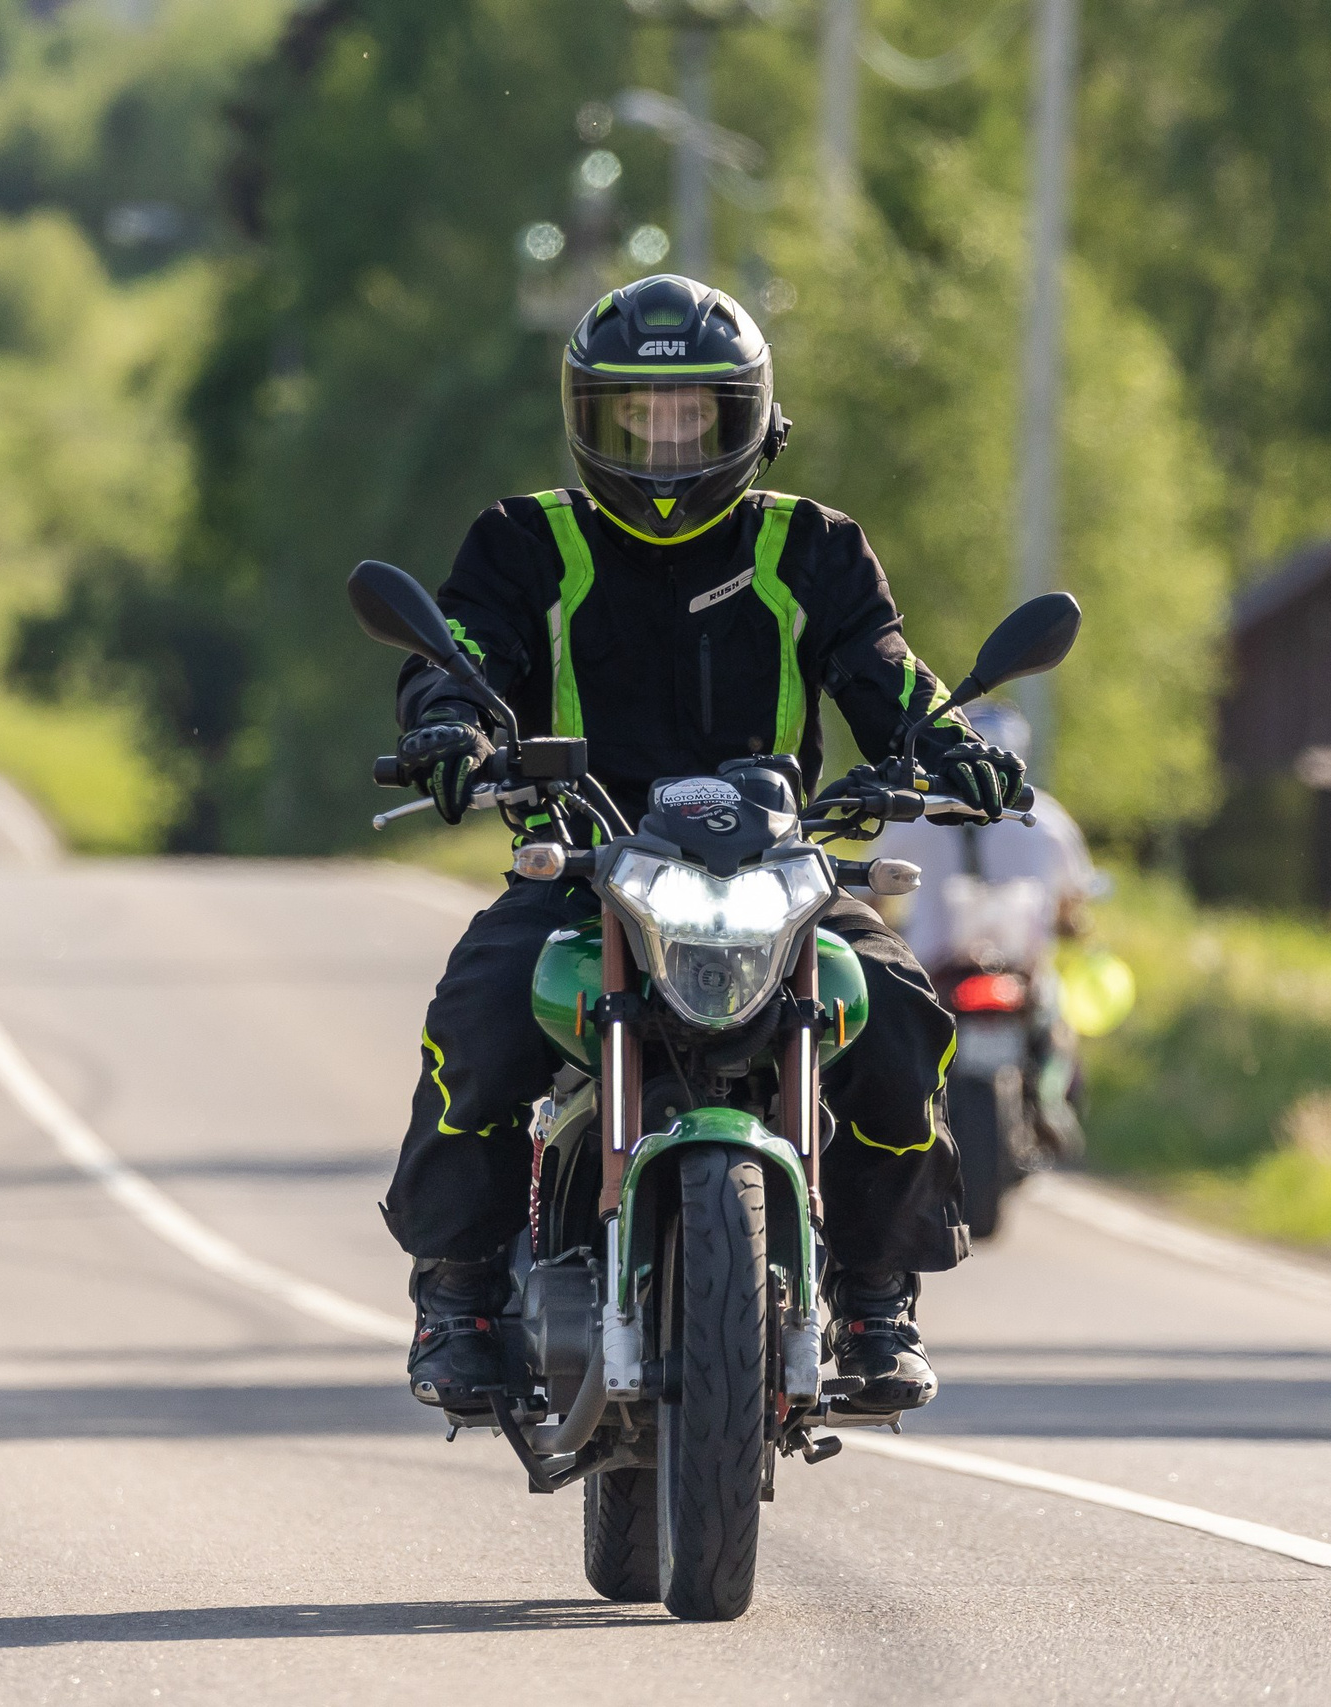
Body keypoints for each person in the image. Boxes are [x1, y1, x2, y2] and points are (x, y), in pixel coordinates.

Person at [385, 273, 1027, 1418]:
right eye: (641, 415)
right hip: (584, 871)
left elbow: (882, 668)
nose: (668, 444)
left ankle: (875, 1296)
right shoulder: (522, 541)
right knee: (478, 1023)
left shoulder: (813, 548)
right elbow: (460, 652)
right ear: (590, 419)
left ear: (753, 421)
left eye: (695, 415)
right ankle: (460, 1295)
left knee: (896, 1018)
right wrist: (448, 726)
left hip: (780, 877)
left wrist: (949, 743)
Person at [872, 701, 1104, 1158]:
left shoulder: (916, 814)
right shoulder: (1049, 821)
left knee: (896, 1042)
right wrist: (1073, 928)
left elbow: (873, 897)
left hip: (933, 971)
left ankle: (897, 1117)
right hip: (1022, 972)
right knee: (1056, 1023)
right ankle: (1053, 1106)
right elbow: (1074, 904)